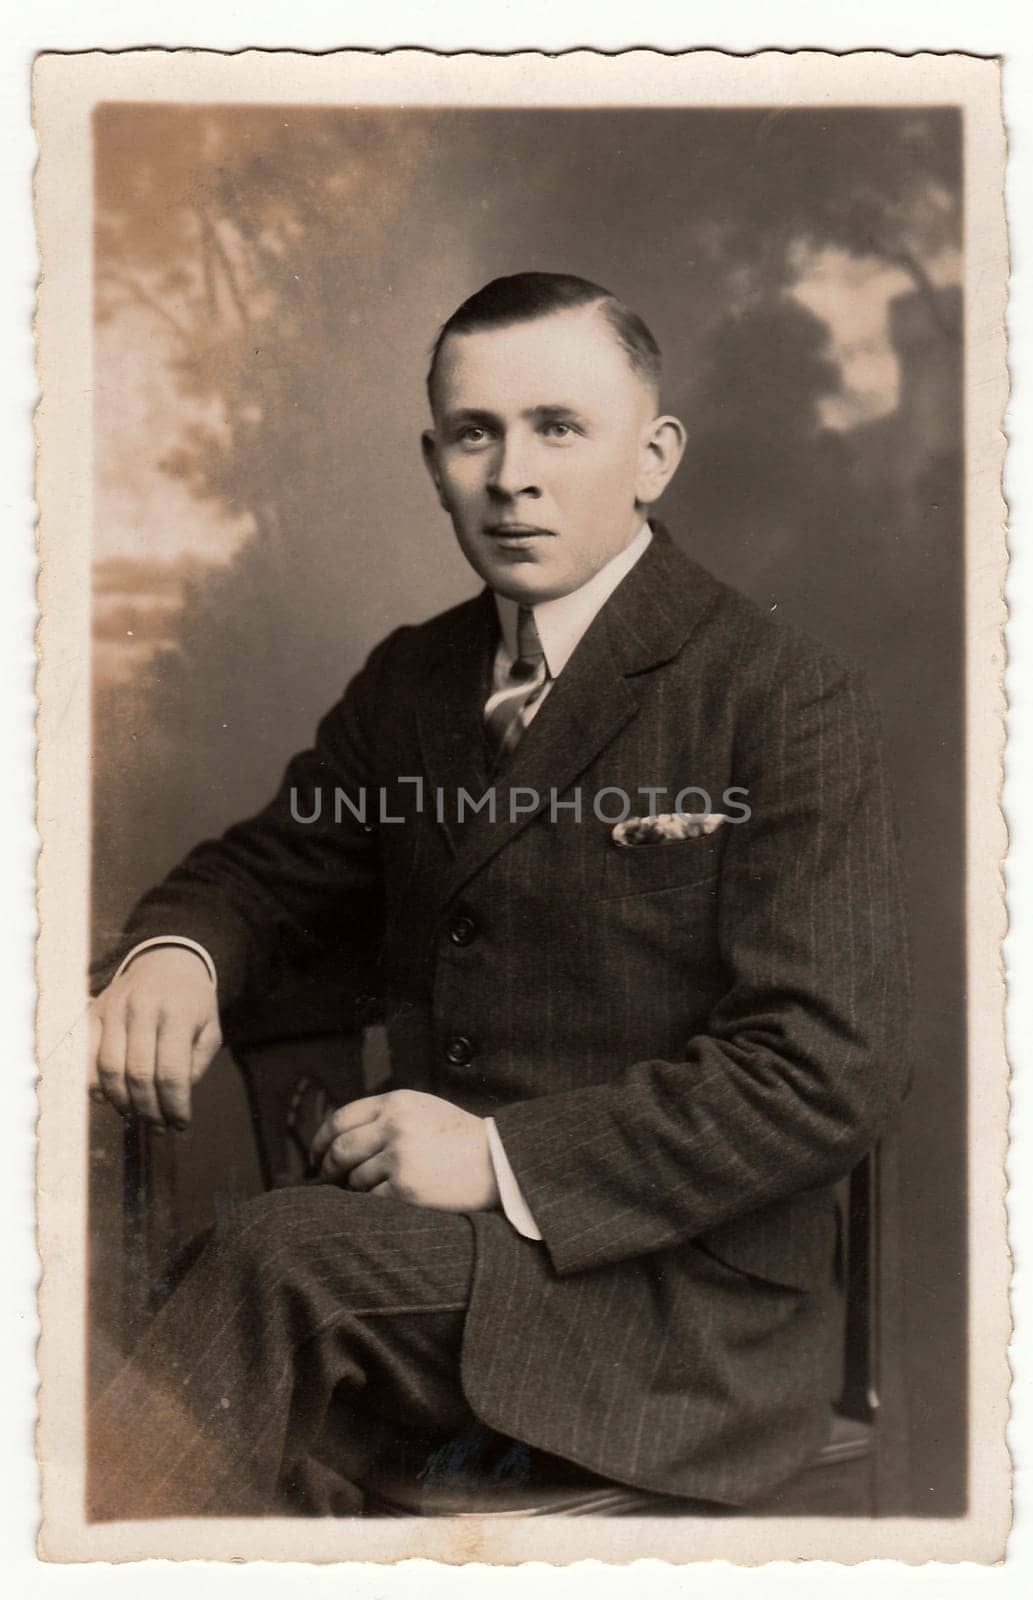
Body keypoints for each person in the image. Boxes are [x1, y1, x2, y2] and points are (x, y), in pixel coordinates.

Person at [87, 272, 911, 1519]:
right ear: (434, 461)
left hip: (675, 1304)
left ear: (654, 456)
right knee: (245, 1351)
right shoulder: (414, 680)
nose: (511, 473)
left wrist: (501, 1155)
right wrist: (178, 953)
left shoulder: (777, 695)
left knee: (273, 1260)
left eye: (558, 428)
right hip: (441, 1266)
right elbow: (268, 871)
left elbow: (821, 1066)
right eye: (475, 433)